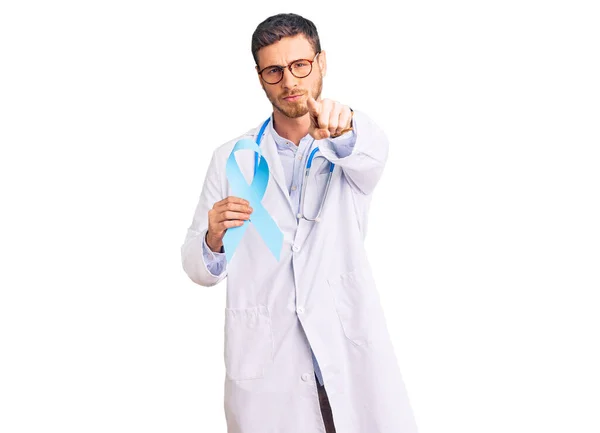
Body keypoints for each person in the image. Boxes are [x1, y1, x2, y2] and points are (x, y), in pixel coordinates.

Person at [181, 13, 418, 433]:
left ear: (321, 63)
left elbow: (372, 153)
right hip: (271, 373)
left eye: (299, 66)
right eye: (274, 70)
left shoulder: (347, 143)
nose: (289, 82)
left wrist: (344, 129)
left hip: (346, 357)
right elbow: (199, 270)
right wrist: (213, 237)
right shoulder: (234, 159)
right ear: (260, 77)